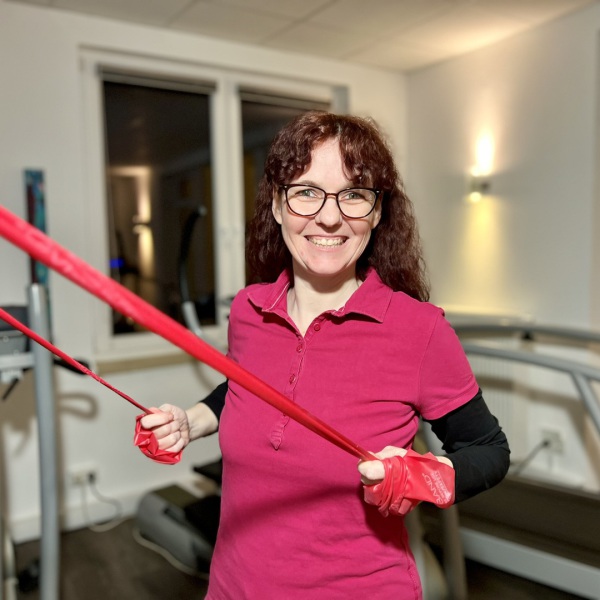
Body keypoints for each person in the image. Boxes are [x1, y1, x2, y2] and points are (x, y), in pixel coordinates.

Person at [139, 111, 510, 599]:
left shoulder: (420, 330)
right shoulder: (248, 310)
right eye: (307, 191)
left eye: (353, 195)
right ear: (278, 204)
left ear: (376, 212)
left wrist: (424, 476)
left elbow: (489, 451)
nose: (330, 216)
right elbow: (246, 387)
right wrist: (191, 421)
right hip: (232, 587)